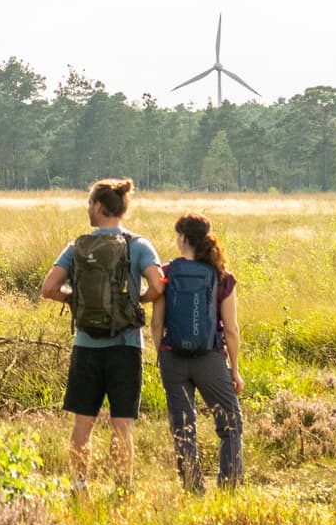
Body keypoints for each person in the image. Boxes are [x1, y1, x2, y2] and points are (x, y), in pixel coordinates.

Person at [41, 176, 161, 492]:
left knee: (83, 424)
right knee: (122, 425)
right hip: (126, 346)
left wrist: (73, 298)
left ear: (97, 206)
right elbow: (159, 284)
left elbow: (48, 288)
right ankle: (122, 487)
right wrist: (139, 301)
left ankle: (80, 486)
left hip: (86, 346)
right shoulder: (139, 245)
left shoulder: (77, 247)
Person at [160, 212, 241, 489]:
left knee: (183, 426)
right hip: (210, 359)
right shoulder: (222, 276)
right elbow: (231, 329)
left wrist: (161, 353)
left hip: (173, 358)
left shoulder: (166, 272)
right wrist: (235, 370)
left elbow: (157, 321)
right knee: (231, 422)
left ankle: (193, 489)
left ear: (182, 238)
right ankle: (229, 486)